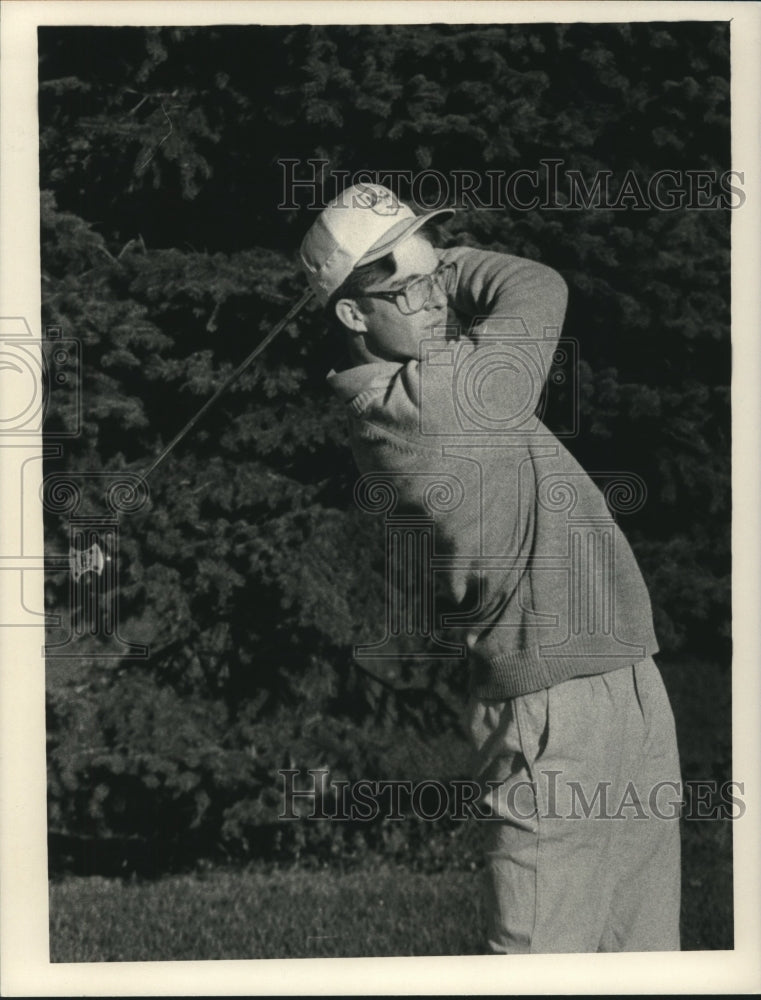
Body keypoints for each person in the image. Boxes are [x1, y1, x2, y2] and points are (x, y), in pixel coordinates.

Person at [299, 182, 682, 954]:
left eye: (435, 281)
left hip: (618, 674)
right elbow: (537, 285)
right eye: (409, 290)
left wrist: (421, 267)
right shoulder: (436, 401)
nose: (434, 300)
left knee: (643, 959)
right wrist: (451, 259)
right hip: (553, 709)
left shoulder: (430, 377)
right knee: (537, 964)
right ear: (352, 315)